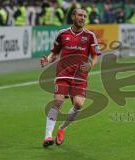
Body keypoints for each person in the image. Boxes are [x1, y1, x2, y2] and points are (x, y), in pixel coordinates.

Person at [40, 8, 100, 148]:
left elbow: (95, 55)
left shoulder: (90, 35)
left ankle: (62, 128)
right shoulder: (62, 34)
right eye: (80, 15)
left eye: (85, 16)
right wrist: (47, 60)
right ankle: (48, 135)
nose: (83, 18)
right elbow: (54, 53)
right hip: (63, 73)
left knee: (78, 104)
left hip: (80, 76)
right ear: (73, 16)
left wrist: (91, 64)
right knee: (58, 101)